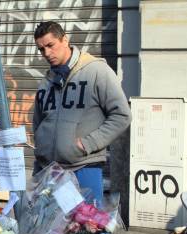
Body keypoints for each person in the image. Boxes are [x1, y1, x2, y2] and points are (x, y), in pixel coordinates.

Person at [32, 21, 132, 205]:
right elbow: (38, 124)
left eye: (50, 45)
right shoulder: (46, 82)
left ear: (65, 40)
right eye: (41, 49)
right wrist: (39, 160)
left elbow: (122, 115)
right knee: (50, 232)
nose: (46, 53)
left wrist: (88, 143)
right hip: (50, 171)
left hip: (84, 167)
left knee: (88, 229)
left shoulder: (96, 71)